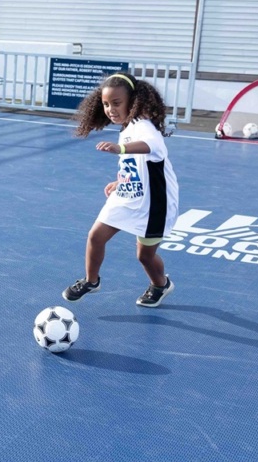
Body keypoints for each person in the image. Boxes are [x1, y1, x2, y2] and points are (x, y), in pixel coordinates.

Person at [61, 72, 180, 308]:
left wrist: (120, 148)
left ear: (132, 102)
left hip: (154, 203)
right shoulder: (126, 127)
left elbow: (151, 146)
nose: (110, 109)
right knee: (96, 235)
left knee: (144, 256)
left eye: (117, 103)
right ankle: (91, 280)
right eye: (106, 104)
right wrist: (120, 181)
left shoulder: (143, 125)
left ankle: (160, 284)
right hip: (128, 194)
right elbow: (138, 164)